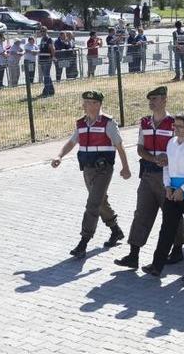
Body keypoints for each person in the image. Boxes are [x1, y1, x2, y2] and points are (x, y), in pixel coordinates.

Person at [51, 90, 131, 258]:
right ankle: (115, 230)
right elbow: (72, 142)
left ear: (97, 104)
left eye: (89, 102)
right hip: (87, 168)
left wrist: (125, 167)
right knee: (100, 201)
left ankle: (84, 241)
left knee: (92, 203)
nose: (85, 105)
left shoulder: (108, 123)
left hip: (103, 169)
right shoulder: (81, 123)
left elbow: (119, 145)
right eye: (84, 102)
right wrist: (59, 156)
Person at [114, 86, 184, 269]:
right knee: (142, 212)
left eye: (155, 99)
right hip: (148, 173)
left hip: (168, 175)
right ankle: (133, 254)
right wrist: (153, 158)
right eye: (150, 99)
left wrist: (168, 159)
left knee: (171, 214)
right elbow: (140, 148)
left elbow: (182, 147)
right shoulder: (145, 122)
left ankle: (177, 249)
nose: (151, 103)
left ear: (164, 100)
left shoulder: (174, 123)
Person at [141, 113, 184, 277]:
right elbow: (166, 166)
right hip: (172, 192)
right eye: (174, 126)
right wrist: (168, 187)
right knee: (167, 228)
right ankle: (157, 265)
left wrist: (182, 189)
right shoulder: (171, 143)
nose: (176, 129)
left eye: (180, 126)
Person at [38, 27, 55, 96]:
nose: (42, 32)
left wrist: (52, 57)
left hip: (47, 59)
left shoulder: (49, 39)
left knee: (46, 75)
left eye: (43, 31)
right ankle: (51, 90)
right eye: (41, 31)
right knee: (46, 75)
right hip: (42, 59)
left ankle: (46, 92)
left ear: (46, 31)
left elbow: (52, 48)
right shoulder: (42, 39)